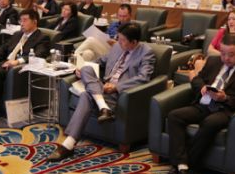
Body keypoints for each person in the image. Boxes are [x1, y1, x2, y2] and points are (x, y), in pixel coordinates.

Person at [165, 33, 235, 174]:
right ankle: (182, 166)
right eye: (223, 53)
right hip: (203, 105)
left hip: (225, 109)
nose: (226, 58)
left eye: (231, 55)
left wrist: (226, 98)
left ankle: (187, 167)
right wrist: (202, 87)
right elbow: (198, 79)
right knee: (174, 116)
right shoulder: (213, 61)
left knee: (210, 122)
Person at [47, 24, 156, 161]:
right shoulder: (117, 47)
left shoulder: (146, 53)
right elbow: (100, 61)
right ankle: (103, 107)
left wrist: (117, 87)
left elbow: (143, 78)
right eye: (118, 38)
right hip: (102, 87)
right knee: (86, 69)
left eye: (122, 40)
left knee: (86, 95)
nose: (119, 42)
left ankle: (68, 144)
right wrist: (81, 69)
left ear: (134, 42)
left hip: (119, 93)